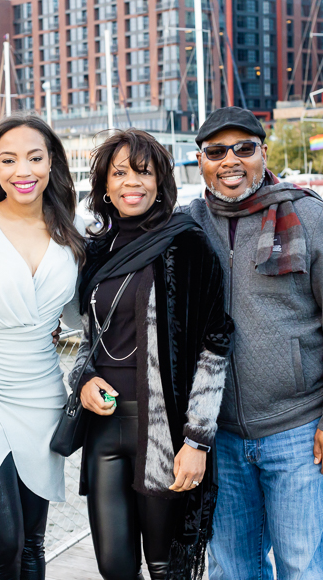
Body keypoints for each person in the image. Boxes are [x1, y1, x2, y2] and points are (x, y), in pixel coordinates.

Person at [183, 107, 323, 580]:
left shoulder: (310, 215)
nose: (230, 160)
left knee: (308, 570)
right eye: (216, 152)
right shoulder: (188, 224)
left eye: (243, 148)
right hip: (220, 439)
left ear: (262, 153)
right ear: (201, 161)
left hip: (301, 432)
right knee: (232, 572)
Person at [70, 129, 234, 580]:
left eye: (142, 172)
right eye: (119, 172)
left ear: (160, 181)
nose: (131, 182)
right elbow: (89, 340)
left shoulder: (187, 243)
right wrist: (82, 382)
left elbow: (214, 345)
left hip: (164, 430)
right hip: (105, 428)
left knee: (166, 568)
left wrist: (197, 440)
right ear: (104, 185)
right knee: (114, 566)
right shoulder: (95, 251)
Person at [0, 113, 84, 580]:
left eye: (34, 157)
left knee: (32, 545)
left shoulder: (70, 233)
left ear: (51, 164)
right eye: (9, 160)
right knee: (2, 543)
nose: (22, 170)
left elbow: (81, 320)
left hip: (43, 392)